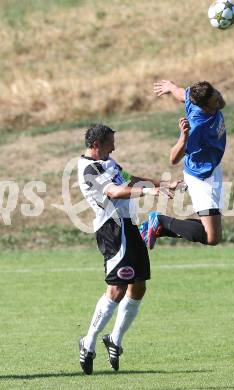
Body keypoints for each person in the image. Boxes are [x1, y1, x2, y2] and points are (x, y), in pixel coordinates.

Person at [77, 123, 175, 375]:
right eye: (110, 142)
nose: (114, 146)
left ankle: (115, 339)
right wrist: (150, 191)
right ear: (96, 144)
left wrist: (162, 184)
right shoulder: (90, 169)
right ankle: (88, 342)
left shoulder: (109, 162)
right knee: (117, 288)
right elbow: (116, 192)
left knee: (138, 285)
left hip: (129, 228)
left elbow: (129, 179)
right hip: (112, 231)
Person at [140, 80, 227, 249]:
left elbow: (182, 93)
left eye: (216, 94)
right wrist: (184, 137)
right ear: (203, 107)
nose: (219, 101)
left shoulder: (199, 96)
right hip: (201, 177)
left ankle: (157, 226)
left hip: (213, 169)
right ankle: (159, 221)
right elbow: (173, 159)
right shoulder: (197, 126)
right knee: (212, 237)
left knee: (214, 233)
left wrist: (171, 87)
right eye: (214, 102)